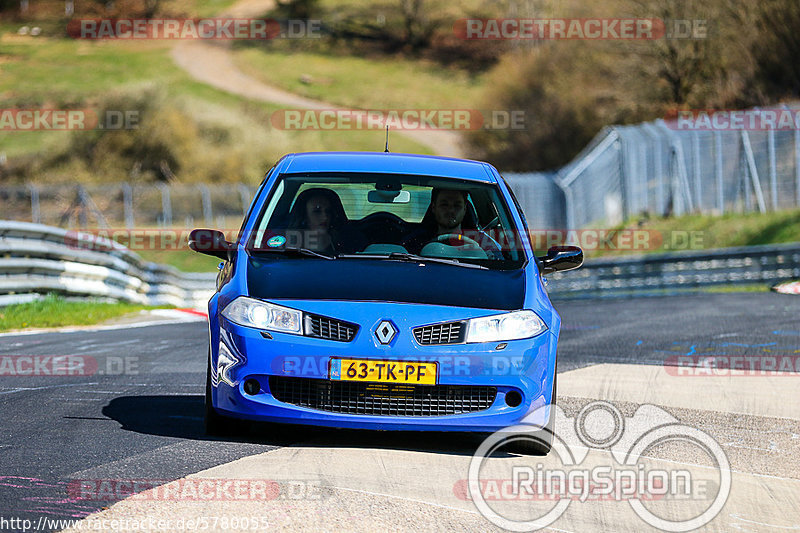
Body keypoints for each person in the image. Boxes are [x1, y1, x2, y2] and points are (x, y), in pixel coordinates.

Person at [286, 188, 365, 254]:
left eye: (328, 211)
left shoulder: (348, 242)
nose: (325, 217)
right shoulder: (284, 244)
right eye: (317, 211)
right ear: (304, 216)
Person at [403, 188, 477, 254]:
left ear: (465, 209)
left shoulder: (480, 241)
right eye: (444, 205)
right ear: (433, 207)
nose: (451, 210)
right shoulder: (416, 242)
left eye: (457, 205)